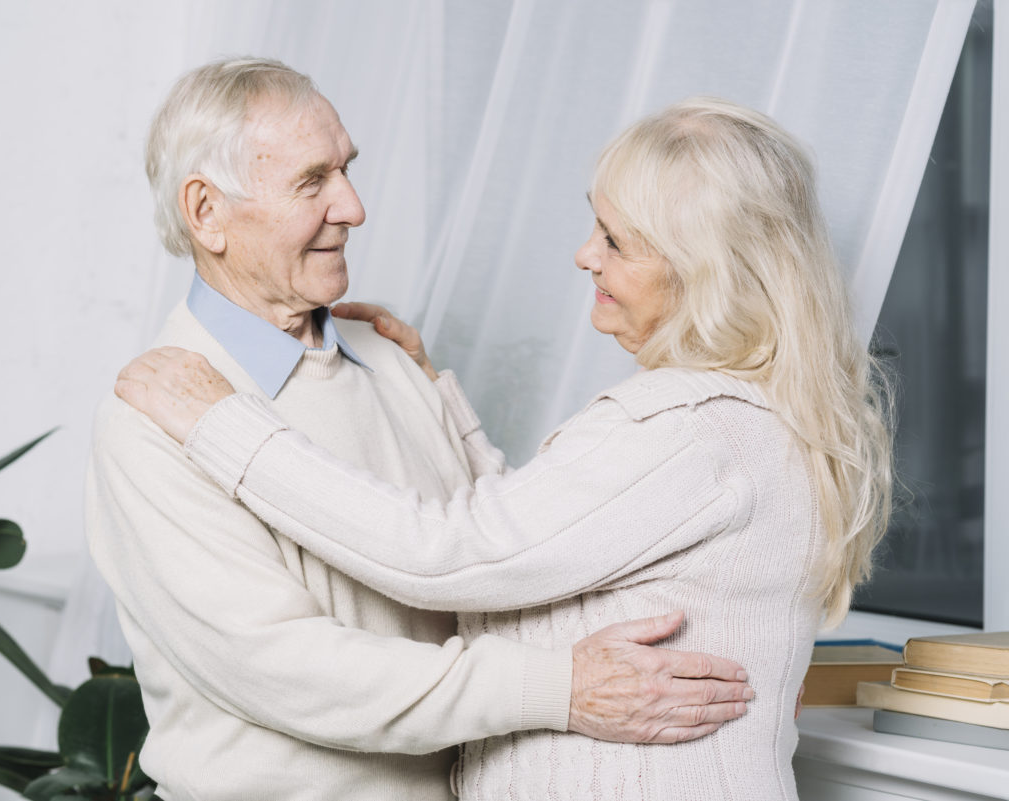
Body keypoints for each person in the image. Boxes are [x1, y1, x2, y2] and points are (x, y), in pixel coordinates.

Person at [115, 96, 893, 799]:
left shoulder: (684, 424)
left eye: (616, 239)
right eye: (313, 179)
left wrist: (230, 430)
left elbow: (455, 553)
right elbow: (532, 559)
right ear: (206, 212)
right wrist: (444, 405)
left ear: (704, 273)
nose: (354, 205)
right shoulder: (154, 414)